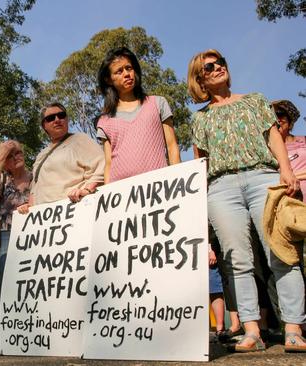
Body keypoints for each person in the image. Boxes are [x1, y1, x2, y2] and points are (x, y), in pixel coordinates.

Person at [188, 49, 305, 352]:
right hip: (221, 188)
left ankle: (293, 328)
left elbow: (273, 137)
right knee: (238, 261)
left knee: (280, 251)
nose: (218, 69)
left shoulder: (255, 100)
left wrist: (286, 170)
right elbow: (200, 162)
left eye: (220, 63)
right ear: (199, 78)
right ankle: (251, 331)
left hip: (263, 178)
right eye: (209, 67)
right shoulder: (199, 119)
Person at [96, 47, 180, 182]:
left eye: (129, 68)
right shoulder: (104, 121)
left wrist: (178, 181)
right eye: (119, 71)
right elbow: (108, 164)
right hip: (122, 194)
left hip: (159, 188)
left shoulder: (158, 103)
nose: (127, 74)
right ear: (109, 80)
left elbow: (172, 146)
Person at [21, 102, 104, 209]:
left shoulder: (80, 140)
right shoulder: (41, 154)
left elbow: (102, 166)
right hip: (43, 217)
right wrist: (30, 206)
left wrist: (87, 190)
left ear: (67, 119)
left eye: (61, 115)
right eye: (51, 118)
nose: (57, 120)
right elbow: (35, 186)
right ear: (44, 126)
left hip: (72, 210)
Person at [0, 140, 31, 286]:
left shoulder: (35, 177)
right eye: (10, 156)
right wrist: (0, 158)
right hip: (7, 234)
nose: (16, 157)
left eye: (18, 153)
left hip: (33, 232)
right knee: (6, 276)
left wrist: (31, 206)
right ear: (4, 162)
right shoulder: (3, 180)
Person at [272, 100, 306, 201]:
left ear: (289, 119)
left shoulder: (304, 140)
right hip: (289, 200)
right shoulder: (267, 150)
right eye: (272, 117)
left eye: (280, 114)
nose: (277, 120)